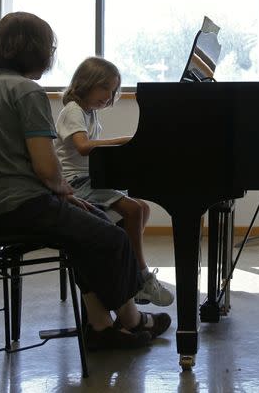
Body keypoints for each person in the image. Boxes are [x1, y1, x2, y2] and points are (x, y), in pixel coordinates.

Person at [0, 11, 170, 351]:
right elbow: (46, 166)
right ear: (36, 50)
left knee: (88, 230)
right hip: (14, 205)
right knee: (111, 236)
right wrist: (64, 193)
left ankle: (101, 327)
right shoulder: (27, 91)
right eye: (49, 46)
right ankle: (131, 319)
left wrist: (62, 195)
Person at [55, 57, 174, 307]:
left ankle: (128, 270)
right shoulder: (73, 111)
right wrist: (124, 140)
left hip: (90, 180)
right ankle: (141, 277)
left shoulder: (90, 114)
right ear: (87, 83)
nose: (108, 97)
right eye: (105, 88)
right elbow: (83, 147)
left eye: (113, 91)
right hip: (75, 184)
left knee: (143, 208)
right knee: (133, 210)